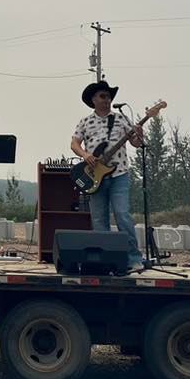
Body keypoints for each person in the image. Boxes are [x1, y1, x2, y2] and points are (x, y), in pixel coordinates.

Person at [70, 79, 152, 271]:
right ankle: (104, 261)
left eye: (109, 97)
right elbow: (74, 144)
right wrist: (86, 154)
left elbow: (136, 144)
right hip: (94, 178)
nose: (107, 100)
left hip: (119, 174)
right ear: (94, 99)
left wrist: (139, 134)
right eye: (103, 96)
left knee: (122, 215)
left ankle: (133, 259)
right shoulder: (85, 121)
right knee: (99, 220)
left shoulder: (121, 119)